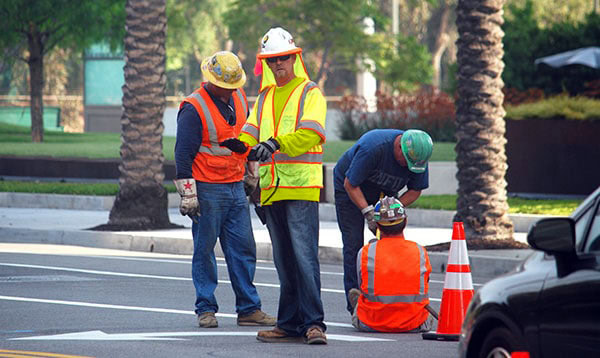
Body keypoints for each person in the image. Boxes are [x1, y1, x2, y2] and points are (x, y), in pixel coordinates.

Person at [236, 27, 328, 345]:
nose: (278, 66)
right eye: (272, 60)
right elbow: (250, 130)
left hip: (301, 188)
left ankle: (314, 324)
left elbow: (311, 133)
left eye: (283, 58)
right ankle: (289, 324)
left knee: (304, 258)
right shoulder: (265, 97)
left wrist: (274, 144)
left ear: (295, 57)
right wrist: (240, 144)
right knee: (284, 261)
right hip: (272, 189)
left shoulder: (310, 92)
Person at [173, 51, 275, 329]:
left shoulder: (240, 98)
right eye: (225, 86)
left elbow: (249, 138)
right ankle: (205, 309)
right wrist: (188, 194)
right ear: (210, 79)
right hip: (207, 189)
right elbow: (183, 155)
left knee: (243, 249)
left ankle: (249, 308)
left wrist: (252, 174)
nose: (230, 91)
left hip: (235, 186)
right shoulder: (194, 107)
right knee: (204, 250)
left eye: (233, 86)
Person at [333, 128, 433, 314]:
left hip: (385, 194)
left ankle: (389, 298)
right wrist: (369, 213)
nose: (408, 168)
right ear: (399, 147)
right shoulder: (373, 147)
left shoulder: (418, 155)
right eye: (406, 163)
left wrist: (394, 208)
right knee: (353, 243)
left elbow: (415, 190)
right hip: (351, 189)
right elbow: (350, 184)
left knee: (390, 243)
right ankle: (356, 305)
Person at [348, 196, 433, 332]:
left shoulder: (366, 252)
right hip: (415, 324)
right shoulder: (419, 250)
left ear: (377, 225)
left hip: (371, 324)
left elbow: (362, 283)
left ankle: (360, 306)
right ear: (405, 222)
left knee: (358, 294)